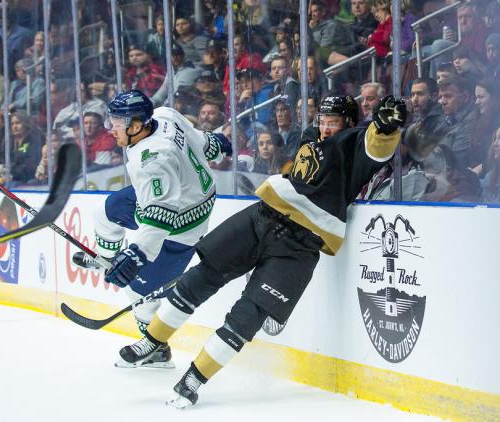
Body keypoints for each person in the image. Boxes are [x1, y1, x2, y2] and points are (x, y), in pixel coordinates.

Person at [117, 94, 407, 408]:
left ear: (349, 124)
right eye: (322, 121)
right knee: (201, 276)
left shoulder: (353, 143)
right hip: (262, 216)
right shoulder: (310, 137)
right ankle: (153, 341)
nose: (325, 129)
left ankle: (194, 378)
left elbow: (376, 147)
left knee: (246, 317)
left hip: (300, 244)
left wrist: (385, 128)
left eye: (333, 123)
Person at [73, 90, 232, 368]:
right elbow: (197, 139)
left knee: (138, 293)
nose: (111, 129)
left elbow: (161, 217)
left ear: (136, 125)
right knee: (105, 212)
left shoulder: (153, 160)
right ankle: (107, 258)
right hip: (183, 193)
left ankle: (157, 349)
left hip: (183, 223)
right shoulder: (164, 115)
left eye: (117, 123)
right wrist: (216, 145)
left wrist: (137, 254)